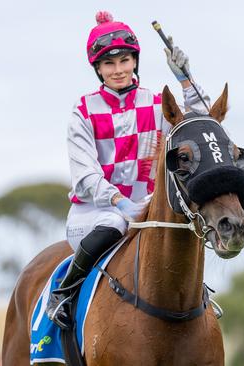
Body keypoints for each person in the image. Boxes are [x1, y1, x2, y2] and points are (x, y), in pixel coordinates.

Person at [46, 11, 211, 329]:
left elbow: (203, 121)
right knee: (112, 222)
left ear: (134, 61)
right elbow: (85, 176)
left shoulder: (156, 103)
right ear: (98, 69)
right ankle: (63, 293)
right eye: (109, 64)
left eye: (124, 60)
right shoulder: (83, 111)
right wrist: (120, 203)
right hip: (95, 212)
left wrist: (185, 79)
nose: (118, 70)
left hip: (149, 210)